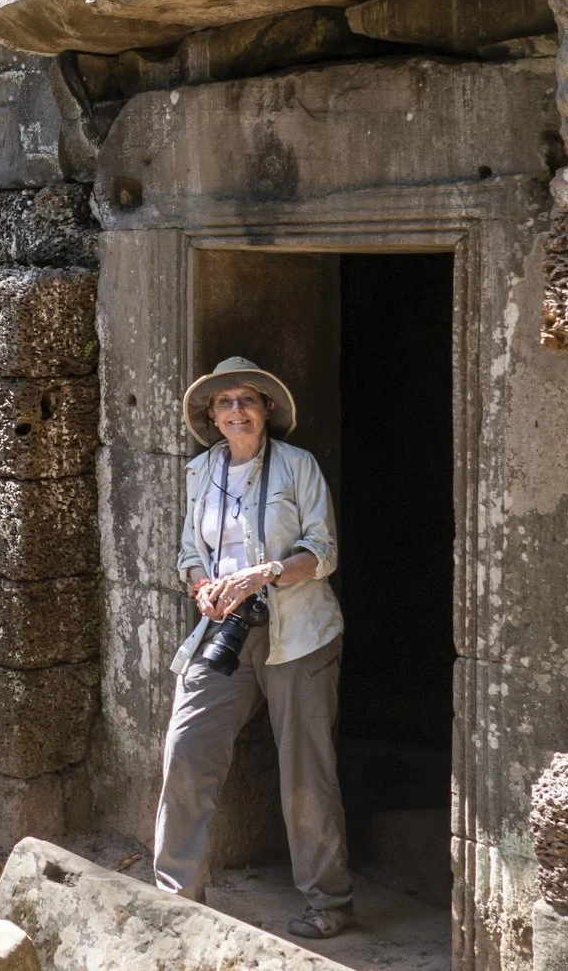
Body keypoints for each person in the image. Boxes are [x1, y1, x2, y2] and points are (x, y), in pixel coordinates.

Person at [152, 355, 354, 938]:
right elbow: (190, 551)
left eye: (247, 399)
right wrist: (204, 591)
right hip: (226, 633)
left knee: (305, 771)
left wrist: (260, 574)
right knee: (186, 752)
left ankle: (328, 900)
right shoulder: (199, 471)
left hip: (301, 634)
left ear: (267, 410)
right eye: (224, 402)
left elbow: (324, 551)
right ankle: (175, 899)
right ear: (212, 417)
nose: (236, 410)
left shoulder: (297, 466)